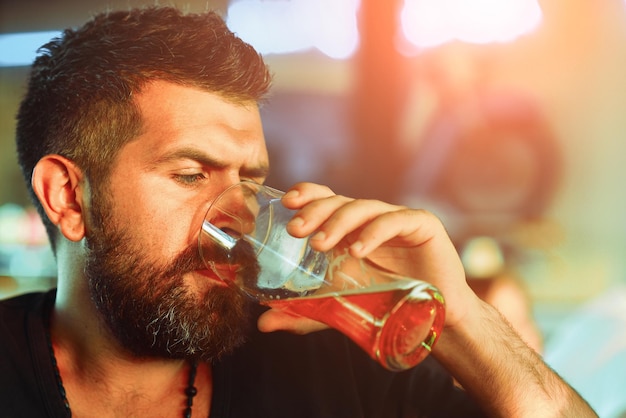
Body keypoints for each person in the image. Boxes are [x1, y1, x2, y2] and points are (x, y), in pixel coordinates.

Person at [1, 5, 596, 417]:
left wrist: (463, 317)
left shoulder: (335, 372)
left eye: (251, 179)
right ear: (69, 198)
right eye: (191, 174)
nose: (238, 212)